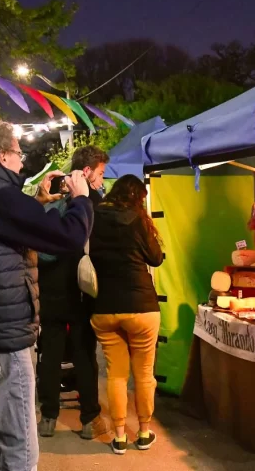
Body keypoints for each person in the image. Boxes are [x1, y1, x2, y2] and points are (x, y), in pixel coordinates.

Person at [0, 119, 93, 471]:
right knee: (19, 448)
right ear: (1, 155)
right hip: (4, 338)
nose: (22, 160)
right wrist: (82, 200)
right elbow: (67, 237)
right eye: (17, 152)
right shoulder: (0, 197)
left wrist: (37, 201)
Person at [37, 146, 110, 439]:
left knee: (50, 354)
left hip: (51, 290)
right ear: (88, 172)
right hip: (81, 291)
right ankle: (89, 418)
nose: (102, 181)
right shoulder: (92, 205)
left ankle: (48, 417)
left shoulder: (51, 204)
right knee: (83, 355)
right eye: (101, 174)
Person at [89, 174, 164, 455]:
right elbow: (155, 258)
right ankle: (144, 432)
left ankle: (119, 436)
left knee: (116, 375)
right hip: (142, 306)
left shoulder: (95, 217)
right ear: (137, 197)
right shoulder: (138, 219)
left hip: (105, 306)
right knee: (144, 374)